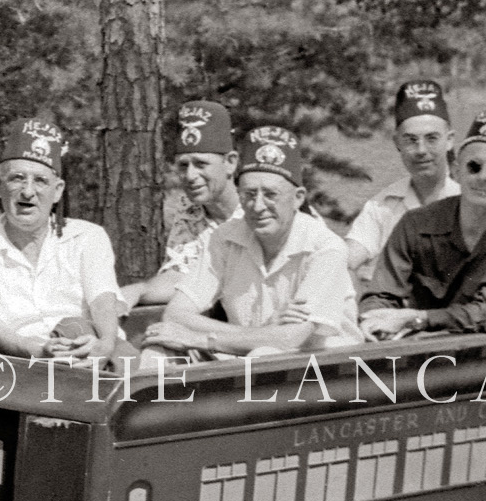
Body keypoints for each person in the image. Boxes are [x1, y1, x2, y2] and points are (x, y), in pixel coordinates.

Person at [144, 127, 360, 358]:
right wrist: (259, 332)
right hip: (243, 355)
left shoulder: (326, 247)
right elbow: (176, 315)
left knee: (264, 354)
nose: (257, 206)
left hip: (328, 372)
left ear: (297, 198)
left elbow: (290, 338)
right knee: (156, 352)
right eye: (248, 194)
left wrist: (202, 339)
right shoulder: (225, 237)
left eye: (270, 195)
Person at [0, 120, 131, 359]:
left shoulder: (87, 237)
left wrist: (106, 345)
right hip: (23, 372)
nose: (28, 192)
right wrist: (41, 352)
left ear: (57, 191)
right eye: (17, 178)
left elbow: (103, 301)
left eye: (40, 181)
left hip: (95, 355)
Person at [361, 111, 486, 339]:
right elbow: (381, 293)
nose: (483, 177)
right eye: (473, 167)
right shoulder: (415, 224)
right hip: (420, 345)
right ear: (456, 171)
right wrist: (375, 321)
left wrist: (418, 319)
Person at [120, 99, 243, 308]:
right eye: (183, 165)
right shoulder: (191, 211)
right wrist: (139, 290)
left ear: (230, 163)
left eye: (201, 164)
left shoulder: (261, 208)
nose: (190, 175)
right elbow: (179, 275)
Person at [344, 81, 462, 281]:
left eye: (432, 138)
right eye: (411, 140)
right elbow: (346, 259)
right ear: (397, 142)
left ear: (449, 140)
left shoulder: (471, 203)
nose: (421, 150)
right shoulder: (382, 206)